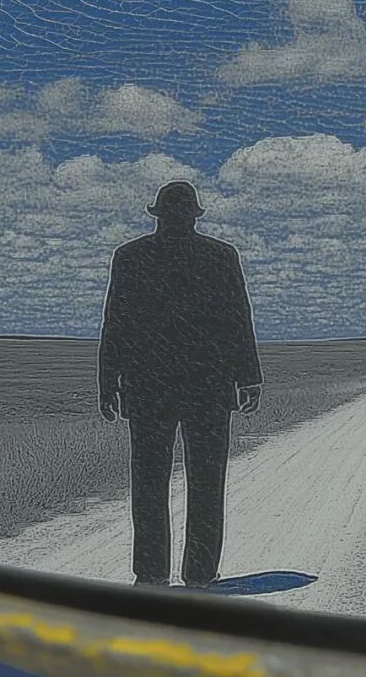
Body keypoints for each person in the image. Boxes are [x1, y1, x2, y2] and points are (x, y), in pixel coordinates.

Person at [97, 180, 262, 587]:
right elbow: (238, 320)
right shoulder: (220, 256)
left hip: (149, 387)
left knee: (149, 484)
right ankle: (199, 573)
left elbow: (115, 322)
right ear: (194, 215)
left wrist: (108, 380)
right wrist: (248, 378)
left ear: (157, 214)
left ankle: (151, 573)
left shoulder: (130, 256)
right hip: (207, 388)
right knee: (206, 483)